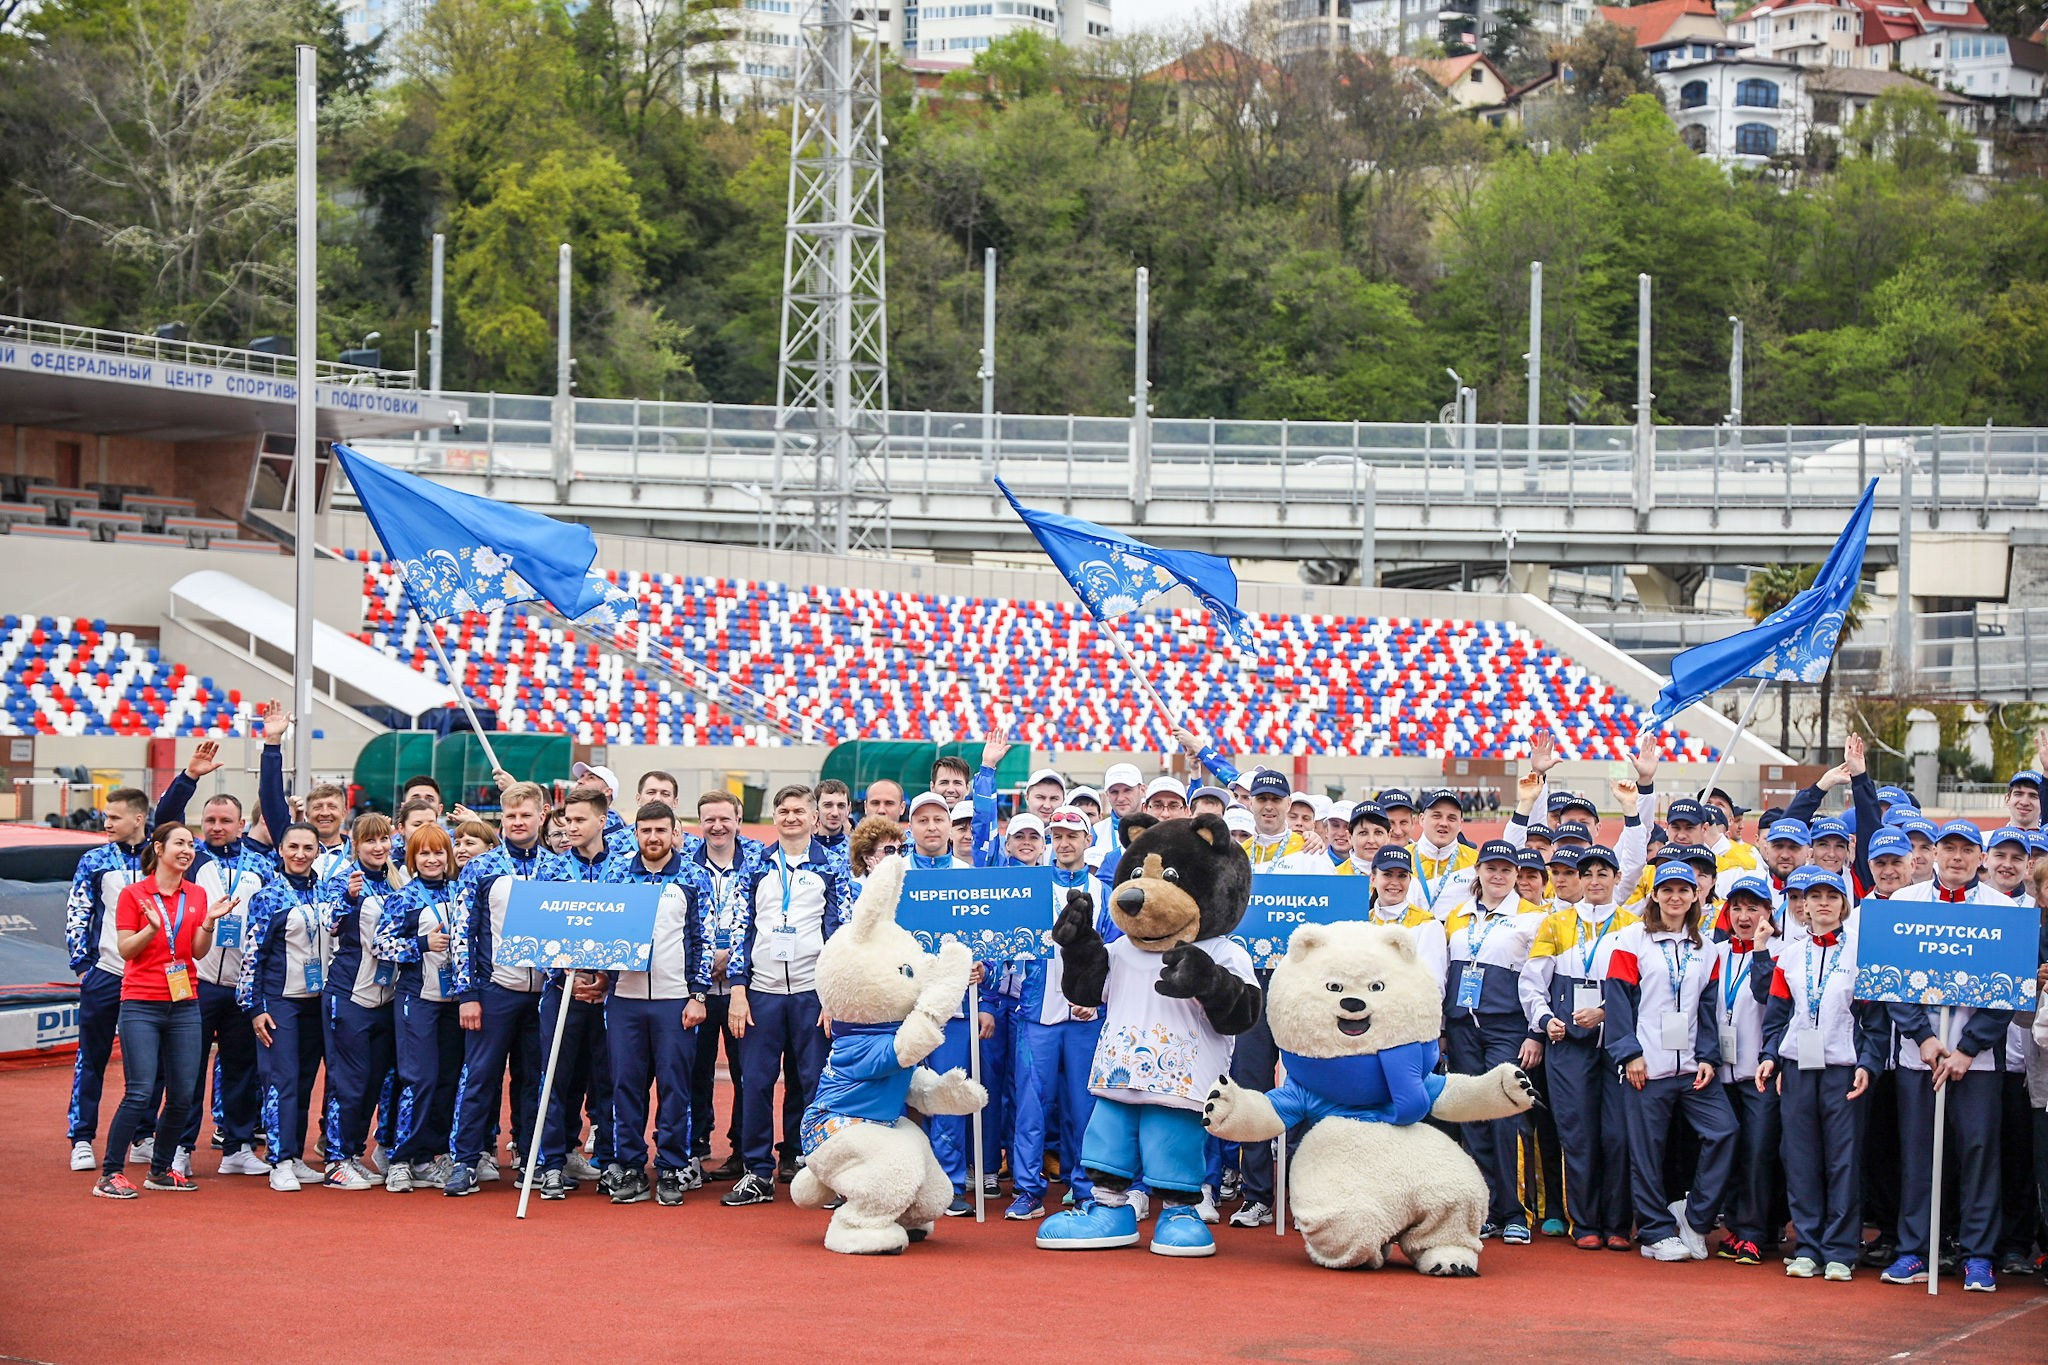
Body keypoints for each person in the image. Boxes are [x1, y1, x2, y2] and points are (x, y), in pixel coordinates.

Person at [1880, 820, 2019, 1292]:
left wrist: (1966, 1048)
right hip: (1919, 1057)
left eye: (1967, 850)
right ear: (1933, 854)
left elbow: (2006, 993)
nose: (1957, 857)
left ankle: (1978, 1255)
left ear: (1981, 857)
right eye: (1949, 848)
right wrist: (1922, 1038)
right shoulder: (1905, 904)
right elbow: (1888, 978)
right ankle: (1914, 1249)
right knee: (1918, 1153)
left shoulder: (2004, 909)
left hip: (1976, 1064)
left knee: (1979, 1154)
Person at [721, 785, 855, 1208]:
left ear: (815, 818)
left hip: (812, 994)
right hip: (761, 993)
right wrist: (738, 991)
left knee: (816, 1084)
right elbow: (741, 930)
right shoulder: (755, 866)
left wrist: (832, 996)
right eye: (784, 810)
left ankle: (818, 1169)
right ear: (774, 817)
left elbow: (841, 936)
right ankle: (757, 1172)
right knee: (755, 1082)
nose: (791, 817)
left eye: (800, 810)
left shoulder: (833, 866)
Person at [90, 823, 234, 1198]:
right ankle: (110, 1174)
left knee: (184, 1094)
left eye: (191, 844)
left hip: (185, 1003)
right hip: (140, 1002)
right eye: (180, 843)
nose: (187, 850)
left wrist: (207, 922)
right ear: (159, 848)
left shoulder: (197, 893)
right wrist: (152, 929)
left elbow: (198, 952)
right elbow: (125, 950)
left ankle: (161, 1170)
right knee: (139, 1091)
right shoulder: (134, 894)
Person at [1606, 862, 1738, 1262]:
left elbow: (1709, 1008)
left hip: (1695, 1066)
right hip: (1648, 1066)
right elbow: (1618, 1004)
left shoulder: (1707, 948)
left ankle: (1694, 1214)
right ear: (1655, 895)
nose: (1675, 897)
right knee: (1646, 1151)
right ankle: (1654, 1232)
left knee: (1725, 1131)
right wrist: (1629, 1053)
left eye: (1684, 890)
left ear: (1696, 895)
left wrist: (1710, 1058)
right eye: (1667, 890)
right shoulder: (1630, 940)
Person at [1756, 866, 1884, 1280]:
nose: (1823, 903)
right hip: (1797, 1069)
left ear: (1845, 904)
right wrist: (1771, 1056)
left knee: (1842, 1161)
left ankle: (1842, 1251)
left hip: (1843, 1072)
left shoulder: (1862, 952)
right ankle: (1808, 1246)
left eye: (1832, 896)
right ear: (1803, 907)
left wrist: (1868, 1063)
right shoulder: (1789, 955)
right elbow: (1777, 1017)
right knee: (1801, 1158)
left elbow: (1874, 1021)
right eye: (1814, 897)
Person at [443, 782, 568, 1196]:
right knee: (479, 1078)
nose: (518, 822)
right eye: (511, 816)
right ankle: (465, 1161)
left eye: (526, 815)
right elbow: (463, 933)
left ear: (542, 816)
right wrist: (469, 994)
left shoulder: (558, 868)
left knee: (541, 1081)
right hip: (496, 990)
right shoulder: (482, 867)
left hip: (546, 995)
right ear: (502, 818)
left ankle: (543, 1162)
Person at [1522, 841, 1638, 1252]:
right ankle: (1585, 1221)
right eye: (1586, 874)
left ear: (1616, 878)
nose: (1593, 881)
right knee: (1578, 1133)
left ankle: (1619, 1223)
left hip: (1617, 1045)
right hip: (1568, 1044)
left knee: (1618, 1134)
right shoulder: (1555, 924)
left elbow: (1639, 987)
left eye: (1602, 873)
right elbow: (1532, 982)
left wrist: (1606, 1012)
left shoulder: (1631, 925)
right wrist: (1545, 1020)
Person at [603, 800, 712, 1206]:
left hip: (674, 1001)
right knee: (626, 1086)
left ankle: (671, 1167)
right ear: (636, 834)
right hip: (625, 1000)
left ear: (674, 833)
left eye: (660, 831)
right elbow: (601, 933)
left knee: (675, 1089)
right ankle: (630, 1167)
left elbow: (703, 940)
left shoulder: (692, 876)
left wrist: (698, 994)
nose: (653, 838)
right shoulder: (617, 875)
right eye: (645, 831)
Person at [1442, 839, 1550, 1242]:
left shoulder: (1533, 917)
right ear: (1479, 872)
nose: (1499, 875)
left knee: (1506, 1117)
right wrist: (1442, 1030)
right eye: (1492, 868)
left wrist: (1534, 1033)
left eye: (1507, 870)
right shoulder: (1457, 916)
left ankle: (1516, 1211)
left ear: (1516, 875)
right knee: (1471, 1117)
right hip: (1461, 1028)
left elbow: (1541, 979)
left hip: (1507, 1027)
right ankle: (1487, 1208)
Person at [1006, 807, 1104, 1221]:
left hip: (1086, 1016)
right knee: (1031, 1106)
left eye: (1072, 835)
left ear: (1088, 841)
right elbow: (1007, 943)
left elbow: (1113, 954)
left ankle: (1084, 1188)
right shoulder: (1028, 888)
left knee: (1084, 1108)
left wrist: (1098, 997)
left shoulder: (1105, 892)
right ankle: (1028, 1189)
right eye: (1057, 835)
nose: (1064, 843)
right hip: (1036, 1012)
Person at [64, 786, 157, 1172]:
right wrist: (83, 967)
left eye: (115, 817)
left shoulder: (161, 857)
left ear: (138, 818)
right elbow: (78, 910)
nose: (107, 823)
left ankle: (143, 1134)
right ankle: (82, 1137)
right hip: (106, 974)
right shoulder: (95, 859)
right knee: (92, 1056)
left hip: (150, 976)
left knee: (150, 1062)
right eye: (106, 816)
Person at [536, 787, 620, 1196]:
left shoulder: (623, 868)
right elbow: (535, 933)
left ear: (601, 821)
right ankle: (552, 1161)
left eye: (580, 820)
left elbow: (633, 930)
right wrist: (559, 962)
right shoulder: (548, 870)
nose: (570, 827)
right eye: (567, 820)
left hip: (610, 993)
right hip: (561, 988)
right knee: (556, 1077)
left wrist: (606, 975)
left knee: (609, 1078)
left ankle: (608, 1159)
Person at [372, 825, 465, 1192]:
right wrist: (421, 943)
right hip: (418, 998)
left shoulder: (460, 892)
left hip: (455, 1001)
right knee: (418, 1078)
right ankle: (400, 1158)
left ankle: (430, 1154)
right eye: (424, 853)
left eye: (438, 852)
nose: (432, 859)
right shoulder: (404, 896)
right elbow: (381, 944)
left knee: (447, 1080)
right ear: (413, 858)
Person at [238, 823, 329, 1191]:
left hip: (317, 1002)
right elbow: (251, 955)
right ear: (281, 849)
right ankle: (277, 1160)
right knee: (281, 1080)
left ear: (318, 851)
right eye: (293, 846)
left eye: (308, 847)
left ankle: (293, 1154)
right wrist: (255, 1006)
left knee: (305, 1082)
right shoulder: (268, 896)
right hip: (280, 1003)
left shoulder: (326, 892)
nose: (300, 854)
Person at [315, 813, 401, 1189]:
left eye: (384, 840)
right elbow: (328, 922)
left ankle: (352, 1152)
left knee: (372, 1083)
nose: (379, 847)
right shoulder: (343, 881)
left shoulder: (400, 879)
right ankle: (335, 1159)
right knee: (348, 1081)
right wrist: (348, 899)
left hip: (387, 998)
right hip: (349, 996)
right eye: (370, 841)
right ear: (355, 844)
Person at [688, 790, 763, 1181]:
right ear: (699, 823)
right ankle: (695, 1148)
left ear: (738, 818)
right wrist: (704, 962)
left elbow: (759, 920)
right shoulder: (685, 863)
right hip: (696, 990)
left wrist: (731, 960)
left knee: (747, 1072)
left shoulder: (759, 861)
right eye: (709, 820)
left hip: (741, 989)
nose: (717, 826)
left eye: (724, 818)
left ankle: (742, 1149)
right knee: (694, 1071)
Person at [847, 816, 903, 881]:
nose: (898, 855)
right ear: (867, 858)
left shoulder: (908, 883)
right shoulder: (853, 888)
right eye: (889, 850)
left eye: (900, 849)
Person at [814, 778, 854, 862]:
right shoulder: (803, 849)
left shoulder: (857, 851)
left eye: (841, 806)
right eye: (828, 805)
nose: (835, 813)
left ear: (848, 809)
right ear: (815, 808)